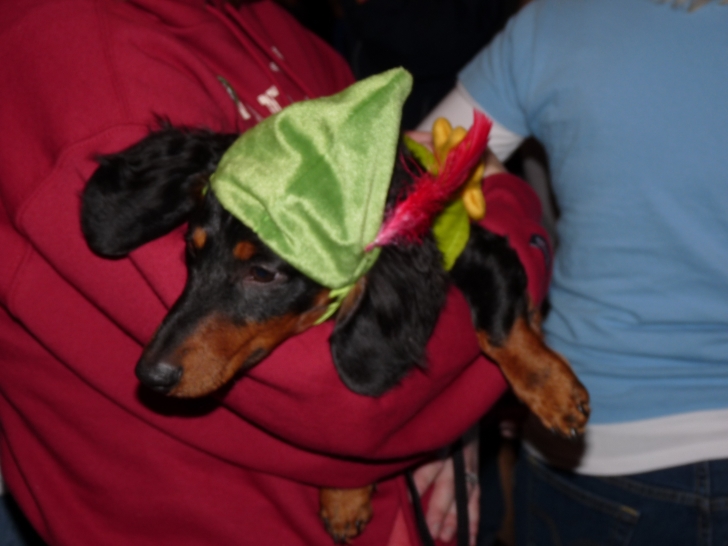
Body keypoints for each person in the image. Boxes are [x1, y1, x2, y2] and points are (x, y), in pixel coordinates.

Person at [0, 1, 552, 544]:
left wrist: (448, 425)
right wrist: (507, 207)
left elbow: (384, 295)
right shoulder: (79, 64)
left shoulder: (283, 29)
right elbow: (350, 402)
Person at [420, 0, 728, 543]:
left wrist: (451, 413)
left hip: (605, 445)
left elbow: (418, 178)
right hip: (591, 439)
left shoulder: (563, 20)